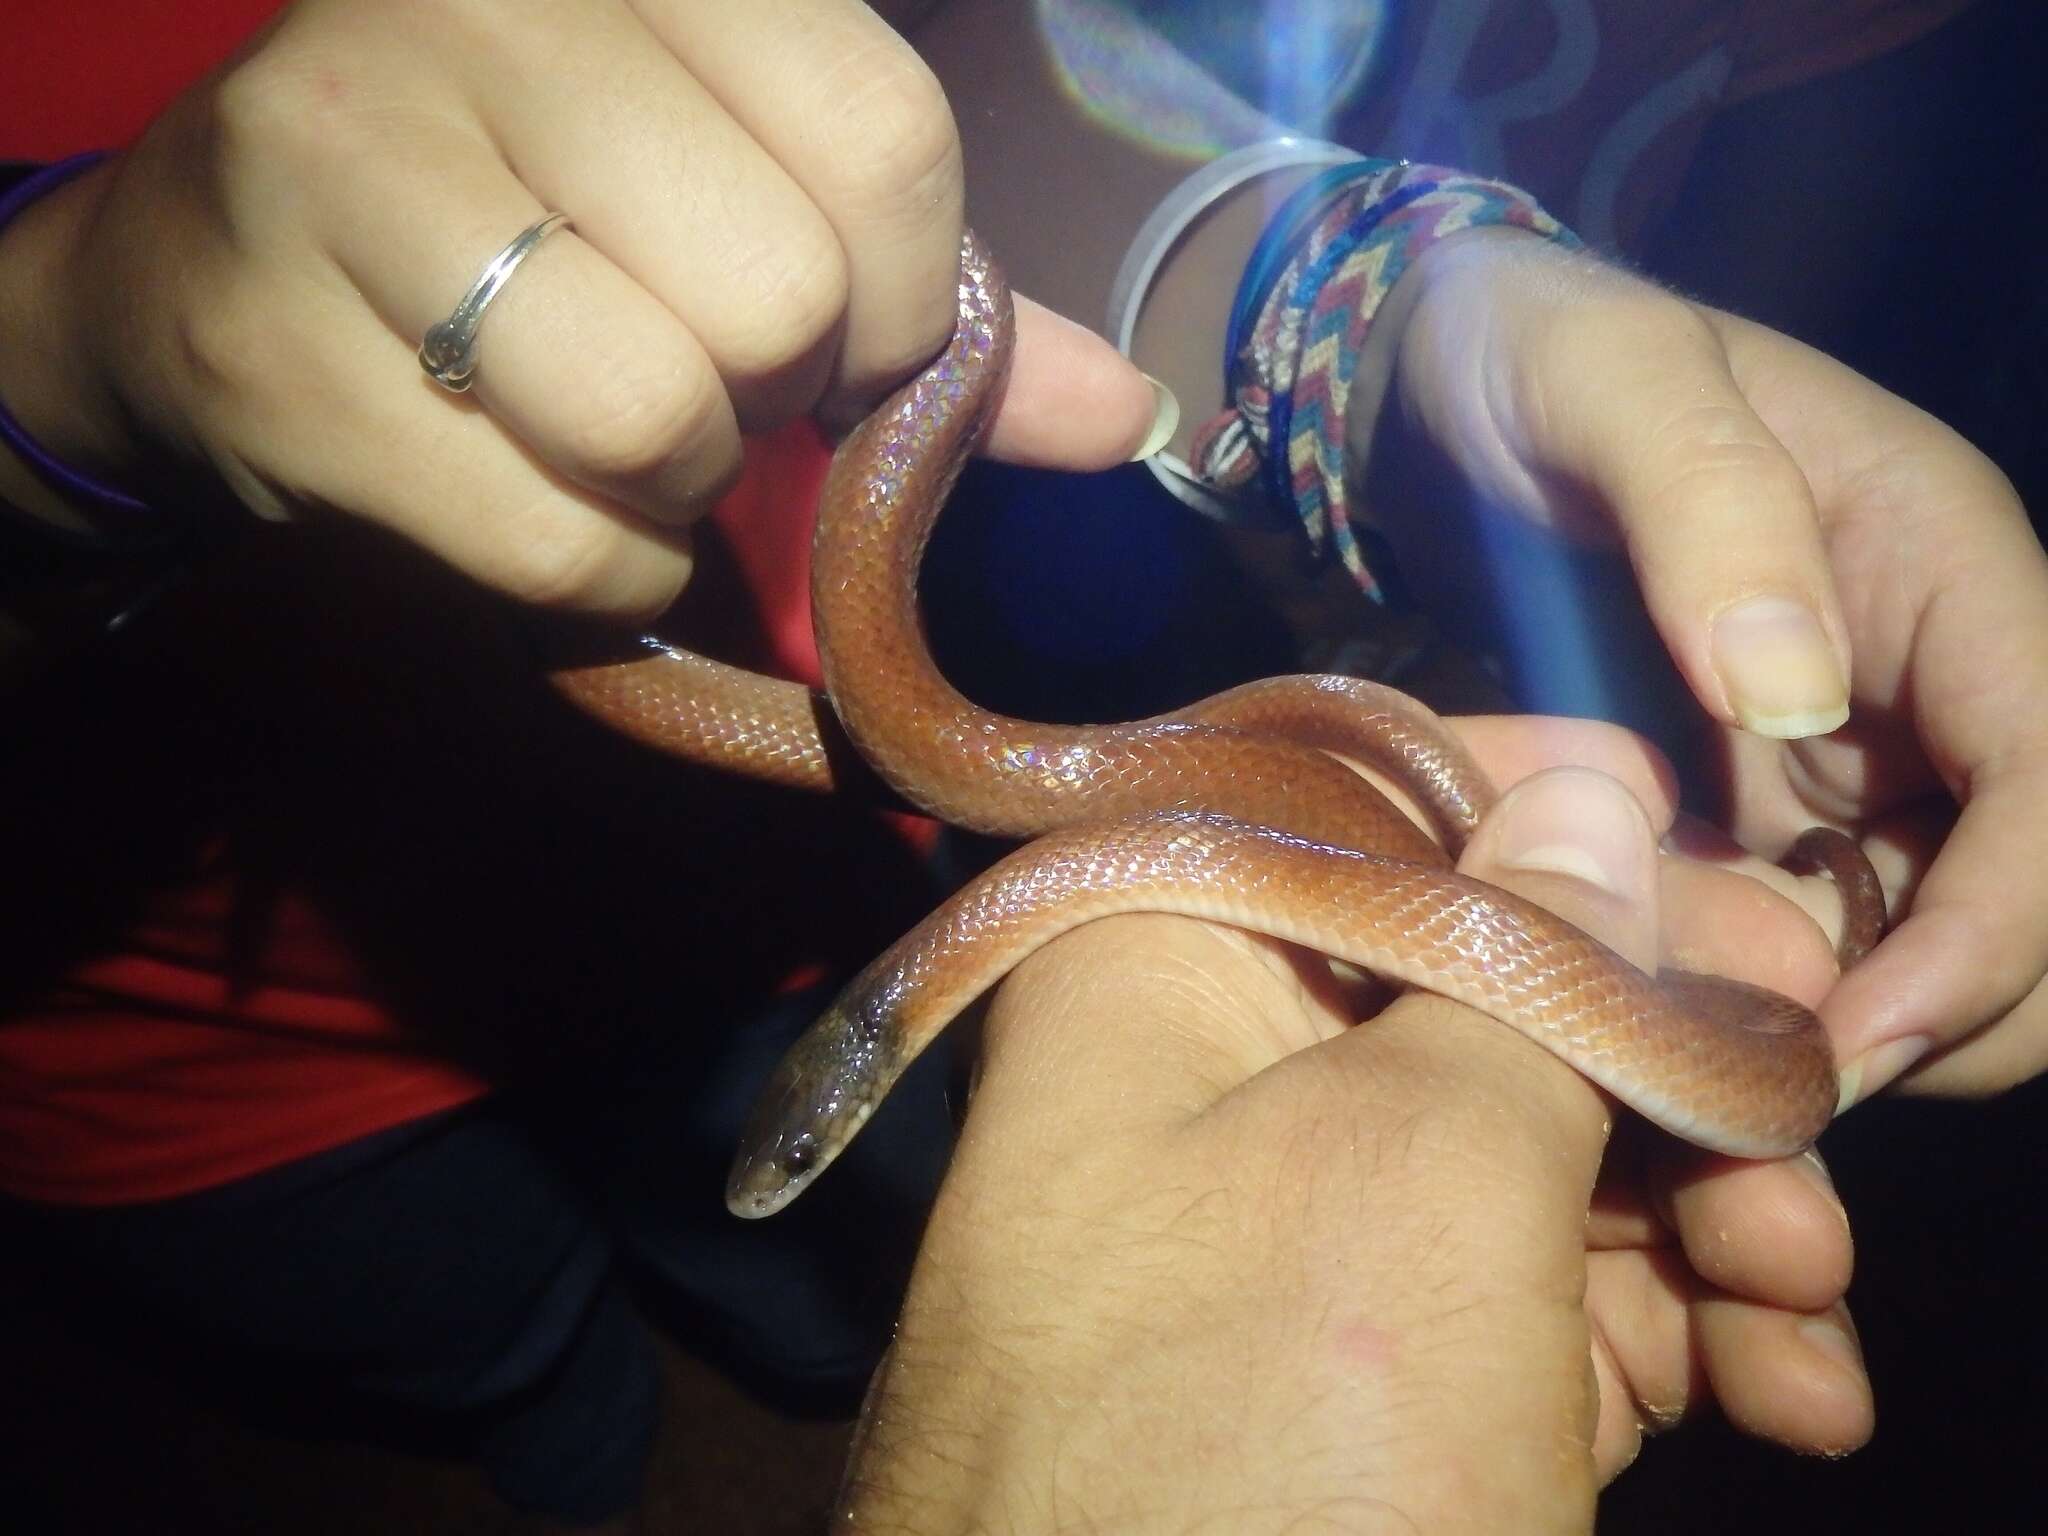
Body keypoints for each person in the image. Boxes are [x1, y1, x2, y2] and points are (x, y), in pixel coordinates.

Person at [0, 1, 2036, 1529]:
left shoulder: (957, 887)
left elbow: (950, 111)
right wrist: (63, 364)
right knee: (482, 1342)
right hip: (199, 1106)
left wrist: (1401, 306)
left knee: (797, 1270)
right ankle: (562, 1427)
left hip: (774, 946)